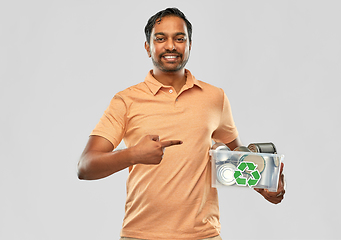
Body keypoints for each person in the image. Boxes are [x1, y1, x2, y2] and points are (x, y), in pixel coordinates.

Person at [77, 7, 285, 240]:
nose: (171, 46)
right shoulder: (126, 100)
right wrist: (134, 154)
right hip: (141, 235)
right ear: (148, 47)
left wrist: (265, 186)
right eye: (160, 38)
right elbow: (86, 166)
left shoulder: (215, 97)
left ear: (189, 44)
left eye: (179, 38)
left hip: (204, 235)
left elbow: (237, 157)